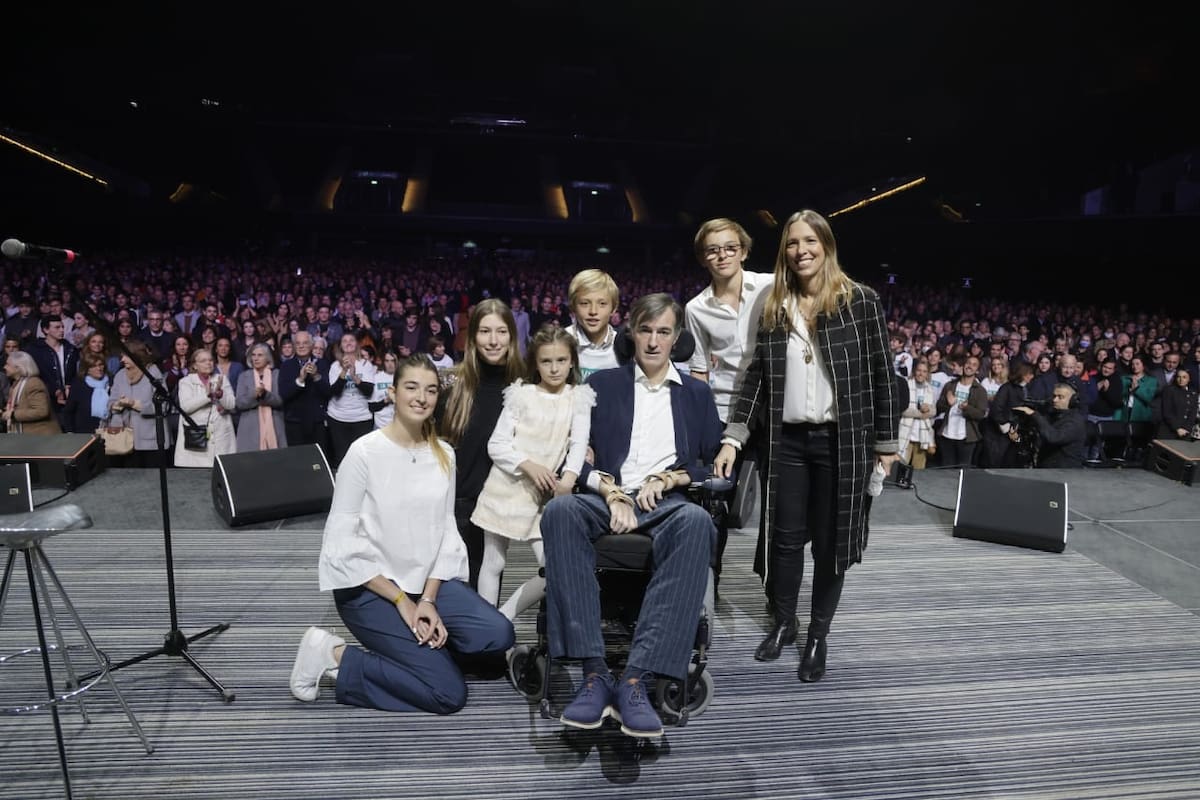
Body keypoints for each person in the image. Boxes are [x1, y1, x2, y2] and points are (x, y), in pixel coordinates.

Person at [713, 209, 898, 683]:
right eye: (793, 243)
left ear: (827, 244)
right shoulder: (774, 303)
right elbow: (756, 374)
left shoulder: (860, 301)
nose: (801, 250)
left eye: (809, 241)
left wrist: (886, 441)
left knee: (833, 544)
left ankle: (817, 634)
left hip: (843, 441)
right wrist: (735, 434)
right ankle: (784, 622)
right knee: (784, 540)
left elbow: (882, 375)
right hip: (788, 441)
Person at [289, 355, 514, 713]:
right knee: (447, 694)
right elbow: (342, 544)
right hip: (369, 589)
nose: (421, 398)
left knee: (499, 634)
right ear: (393, 393)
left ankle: (420, 655)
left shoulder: (445, 455)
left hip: (423, 584)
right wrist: (402, 602)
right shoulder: (363, 453)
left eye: (430, 390)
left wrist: (426, 600)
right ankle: (333, 655)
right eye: (411, 387)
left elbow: (446, 534)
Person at [541, 292, 722, 739]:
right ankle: (595, 672)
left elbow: (709, 462)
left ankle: (637, 679)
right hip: (610, 495)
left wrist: (672, 478)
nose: (654, 341)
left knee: (697, 522)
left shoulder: (696, 394)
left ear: (676, 337)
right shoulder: (603, 386)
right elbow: (574, 456)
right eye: (646, 330)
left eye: (664, 332)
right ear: (632, 333)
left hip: (665, 502)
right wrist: (610, 490)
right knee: (561, 511)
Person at [471, 326, 594, 620]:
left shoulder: (578, 398)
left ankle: (500, 620)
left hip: (544, 496)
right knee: (493, 563)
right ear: (535, 363)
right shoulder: (521, 395)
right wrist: (529, 464)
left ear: (572, 361)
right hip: (506, 488)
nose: (554, 369)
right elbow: (497, 444)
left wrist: (568, 478)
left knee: (553, 570)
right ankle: (487, 632)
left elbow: (578, 444)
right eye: (546, 361)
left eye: (561, 361)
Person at [684, 217, 773, 587]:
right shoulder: (695, 308)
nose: (722, 255)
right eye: (712, 250)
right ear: (704, 258)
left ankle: (774, 589)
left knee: (777, 506)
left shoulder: (770, 286)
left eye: (729, 248)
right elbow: (700, 371)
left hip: (774, 408)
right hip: (723, 411)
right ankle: (708, 585)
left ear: (744, 251)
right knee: (715, 501)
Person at [436, 299, 526, 589]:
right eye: (485, 331)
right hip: (457, 504)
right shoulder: (453, 385)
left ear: (512, 336)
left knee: (488, 581)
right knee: (453, 586)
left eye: (501, 332)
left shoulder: (524, 386)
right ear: (473, 337)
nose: (493, 340)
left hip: (499, 502)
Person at [108, 340, 171, 467]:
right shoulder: (120, 375)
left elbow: (164, 405)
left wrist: (135, 404)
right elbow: (111, 401)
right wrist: (117, 404)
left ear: (136, 356)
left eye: (125, 356)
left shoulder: (153, 372)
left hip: (150, 440)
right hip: (124, 440)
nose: (122, 360)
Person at [174, 348, 236, 467]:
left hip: (221, 436)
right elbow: (186, 407)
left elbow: (232, 404)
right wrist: (207, 396)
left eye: (210, 360)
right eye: (203, 361)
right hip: (196, 438)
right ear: (195, 365)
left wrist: (220, 394)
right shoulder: (186, 382)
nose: (208, 363)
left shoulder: (221, 379)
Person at [325, 332, 376, 468]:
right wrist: (344, 371)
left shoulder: (366, 365)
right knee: (342, 459)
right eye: (344, 341)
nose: (348, 343)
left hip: (361, 418)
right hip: (338, 418)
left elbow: (369, 391)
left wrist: (353, 376)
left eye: (351, 340)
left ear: (357, 344)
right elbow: (334, 392)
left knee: (361, 459)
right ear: (341, 346)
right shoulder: (335, 366)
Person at [563, 269, 621, 381]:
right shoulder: (560, 341)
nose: (593, 311)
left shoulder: (624, 347)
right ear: (573, 306)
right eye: (584, 303)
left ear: (613, 308)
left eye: (602, 304)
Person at [1012, 384, 1087, 468]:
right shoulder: (1054, 415)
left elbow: (1054, 437)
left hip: (1065, 471)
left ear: (1073, 400)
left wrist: (1034, 414)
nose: (1055, 400)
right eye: (1054, 396)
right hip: (1047, 468)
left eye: (1060, 397)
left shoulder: (1075, 421)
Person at [278, 330, 330, 448]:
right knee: (297, 461)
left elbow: (328, 393)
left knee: (317, 462)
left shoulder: (322, 364)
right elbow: (284, 394)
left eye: (305, 343)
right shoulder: (286, 366)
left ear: (312, 345)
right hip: (294, 422)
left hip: (317, 422)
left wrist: (316, 376)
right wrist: (300, 380)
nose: (301, 346)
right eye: (298, 343)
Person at [935, 355, 988, 468]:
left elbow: (980, 414)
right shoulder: (950, 385)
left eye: (974, 365)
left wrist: (966, 408)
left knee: (962, 471)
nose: (970, 366)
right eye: (968, 363)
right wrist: (947, 403)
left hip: (966, 438)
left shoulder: (980, 391)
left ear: (977, 370)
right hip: (947, 435)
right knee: (945, 471)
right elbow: (938, 407)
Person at [235, 343, 286, 452]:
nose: (256, 358)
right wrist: (254, 395)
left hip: (274, 424)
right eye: (253, 355)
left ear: (267, 358)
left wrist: (265, 394)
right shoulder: (244, 376)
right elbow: (239, 403)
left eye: (260, 355)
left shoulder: (276, 374)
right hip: (250, 427)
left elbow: (279, 400)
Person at [2, 351, 62, 435]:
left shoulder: (33, 383)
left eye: (8, 364)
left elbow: (41, 411)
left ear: (18, 367)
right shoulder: (15, 385)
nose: (5, 367)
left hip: (41, 438)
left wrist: (13, 414)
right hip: (26, 439)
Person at [62, 351, 110, 434]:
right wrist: (70, 432)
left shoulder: (111, 383)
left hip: (109, 431)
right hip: (84, 432)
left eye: (100, 365)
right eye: (93, 366)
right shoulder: (78, 385)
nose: (99, 368)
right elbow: (68, 411)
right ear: (86, 369)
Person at [1156, 368, 1198, 440]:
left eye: (1184, 377)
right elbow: (1167, 412)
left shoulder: (1193, 393)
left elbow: (1192, 414)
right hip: (1168, 431)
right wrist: (1177, 428)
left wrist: (1186, 429)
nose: (1181, 379)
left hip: (1185, 432)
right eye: (1179, 377)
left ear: (1189, 379)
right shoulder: (1169, 390)